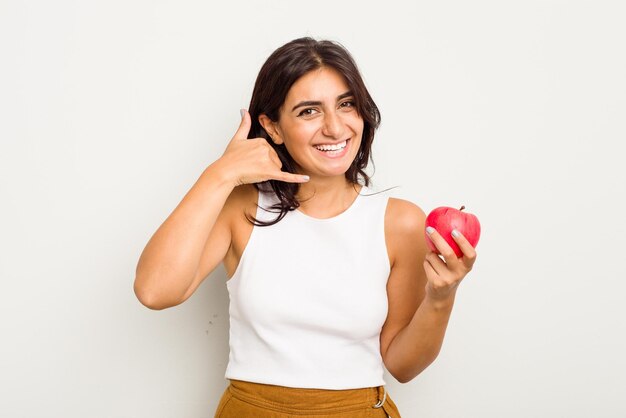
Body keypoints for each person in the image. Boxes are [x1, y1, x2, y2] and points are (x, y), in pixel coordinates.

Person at [133, 37, 477, 418]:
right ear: (272, 128)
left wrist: (441, 298)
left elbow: (403, 365)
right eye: (309, 111)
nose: (334, 127)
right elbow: (154, 290)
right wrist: (220, 174)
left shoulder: (400, 221)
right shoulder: (242, 206)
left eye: (346, 104)